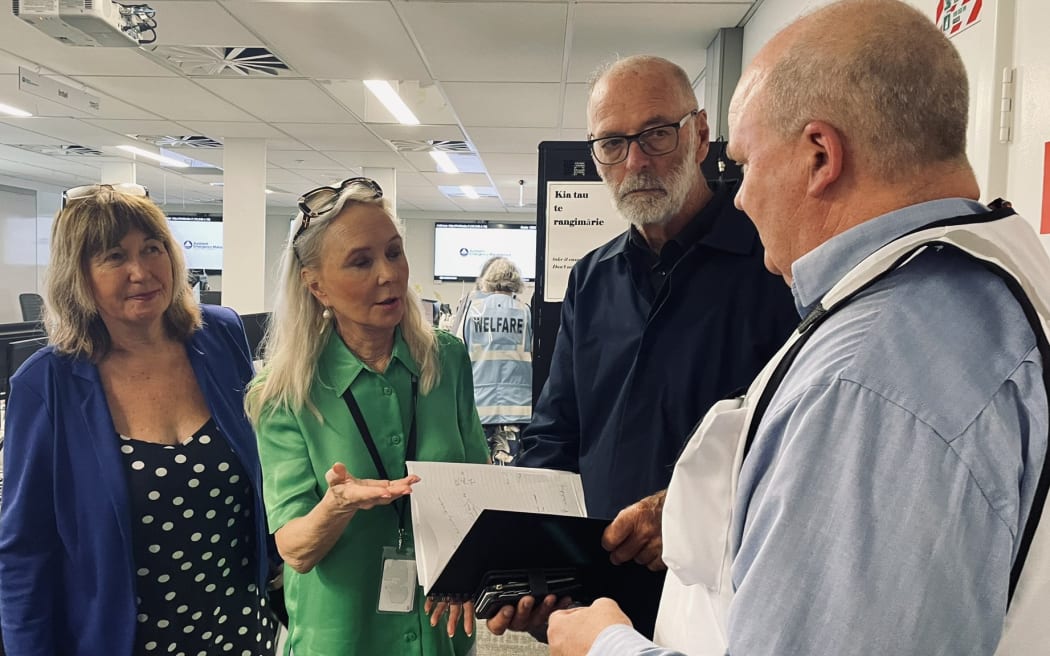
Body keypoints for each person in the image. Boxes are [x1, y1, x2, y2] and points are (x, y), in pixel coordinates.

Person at [545, 1, 1050, 654]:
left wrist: (602, 646)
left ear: (820, 156)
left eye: (749, 164)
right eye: (613, 144)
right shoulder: (985, 279)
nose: (744, 195)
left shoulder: (866, 379)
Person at [491, 55, 798, 634]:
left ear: (700, 135)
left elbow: (800, 444)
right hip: (595, 590)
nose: (636, 161)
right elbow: (556, 434)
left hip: (724, 597)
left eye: (657, 133)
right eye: (612, 142)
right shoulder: (589, 280)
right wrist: (529, 554)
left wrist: (685, 509)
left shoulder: (773, 268)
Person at [0, 184, 279, 655]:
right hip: (124, 640)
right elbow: (25, 554)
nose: (141, 271)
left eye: (152, 249)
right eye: (113, 256)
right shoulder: (46, 385)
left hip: (240, 629)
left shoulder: (220, 338)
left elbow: (262, 468)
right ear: (80, 276)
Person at [246, 177, 490, 655]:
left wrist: (472, 563)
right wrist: (337, 506)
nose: (389, 275)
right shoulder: (284, 394)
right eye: (361, 262)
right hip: (342, 634)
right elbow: (294, 549)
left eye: (394, 253)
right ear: (315, 286)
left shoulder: (447, 360)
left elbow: (476, 483)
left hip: (440, 627)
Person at [456, 256, 533, 464]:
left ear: (486, 280)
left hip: (480, 402)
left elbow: (458, 350)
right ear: (516, 280)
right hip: (516, 405)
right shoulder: (525, 311)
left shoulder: (473, 310)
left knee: (481, 471)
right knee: (510, 472)